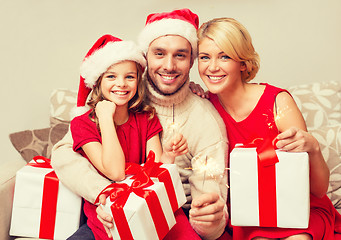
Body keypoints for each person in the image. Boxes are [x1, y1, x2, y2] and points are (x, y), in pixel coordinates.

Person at [51, 9, 229, 240]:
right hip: (106, 214)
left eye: (180, 55)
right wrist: (103, 195)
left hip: (168, 213)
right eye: (159, 53)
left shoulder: (199, 118)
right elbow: (64, 154)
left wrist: (209, 218)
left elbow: (205, 193)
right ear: (145, 57)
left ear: (191, 60)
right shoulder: (122, 95)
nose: (169, 65)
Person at [194, 17, 341, 239]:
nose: (212, 67)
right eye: (205, 57)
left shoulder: (277, 101)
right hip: (251, 214)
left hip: (300, 209)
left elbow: (318, 190)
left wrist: (314, 148)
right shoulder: (204, 108)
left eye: (224, 56)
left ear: (242, 63)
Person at [67, 34, 188, 239]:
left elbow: (155, 170)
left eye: (129, 77)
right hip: (108, 215)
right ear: (98, 81)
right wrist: (105, 118)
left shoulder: (146, 117)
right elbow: (116, 173)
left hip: (146, 207)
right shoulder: (82, 125)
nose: (121, 84)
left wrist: (168, 156)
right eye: (111, 76)